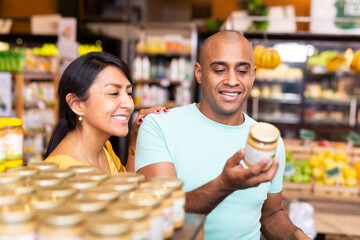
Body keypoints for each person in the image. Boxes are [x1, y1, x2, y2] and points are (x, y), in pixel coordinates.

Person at [134, 31, 310, 239]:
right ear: (198, 73)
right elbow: (159, 213)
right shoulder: (160, 126)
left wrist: (297, 235)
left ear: (253, 75)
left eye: (242, 71)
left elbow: (270, 214)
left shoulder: (267, 141)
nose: (232, 80)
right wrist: (224, 185)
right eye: (219, 70)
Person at [44, 52, 167, 175]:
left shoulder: (103, 147)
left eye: (129, 93)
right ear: (76, 104)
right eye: (114, 93)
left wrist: (136, 138)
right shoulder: (60, 171)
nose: (129, 104)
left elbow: (125, 186)